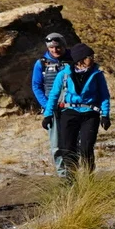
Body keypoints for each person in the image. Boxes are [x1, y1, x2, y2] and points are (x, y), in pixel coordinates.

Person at [46, 44, 111, 179]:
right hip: (69, 112)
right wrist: (47, 115)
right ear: (80, 59)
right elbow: (54, 95)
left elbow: (104, 95)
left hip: (90, 114)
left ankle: (88, 178)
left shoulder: (97, 74)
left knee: (86, 148)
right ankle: (71, 179)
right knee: (68, 148)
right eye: (89, 57)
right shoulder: (63, 74)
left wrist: (105, 115)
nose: (92, 59)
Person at [30, 33, 69, 169]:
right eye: (51, 47)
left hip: (73, 107)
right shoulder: (41, 63)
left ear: (63, 45)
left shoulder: (74, 59)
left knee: (75, 142)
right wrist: (47, 106)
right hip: (52, 109)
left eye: (57, 47)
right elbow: (36, 86)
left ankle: (77, 171)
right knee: (57, 145)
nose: (55, 50)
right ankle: (63, 176)